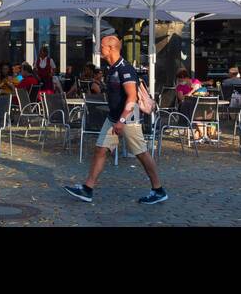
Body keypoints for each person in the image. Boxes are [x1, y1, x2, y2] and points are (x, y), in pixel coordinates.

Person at [63, 33, 167, 206]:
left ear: (111, 48)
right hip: (113, 117)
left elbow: (132, 97)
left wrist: (122, 121)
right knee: (100, 149)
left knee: (141, 152)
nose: (99, 49)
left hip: (127, 118)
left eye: (101, 46)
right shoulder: (111, 68)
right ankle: (87, 189)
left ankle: (158, 189)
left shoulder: (124, 69)